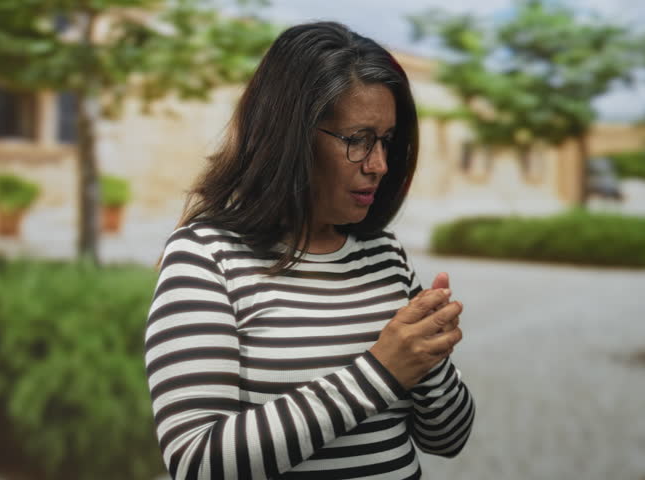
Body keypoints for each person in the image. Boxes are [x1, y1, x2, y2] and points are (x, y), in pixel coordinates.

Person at [144, 21, 475, 480]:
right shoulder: (205, 256)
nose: (379, 165)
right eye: (357, 140)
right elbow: (197, 462)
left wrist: (428, 357)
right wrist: (381, 370)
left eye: (387, 141)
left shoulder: (384, 254)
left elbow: (449, 439)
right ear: (290, 136)